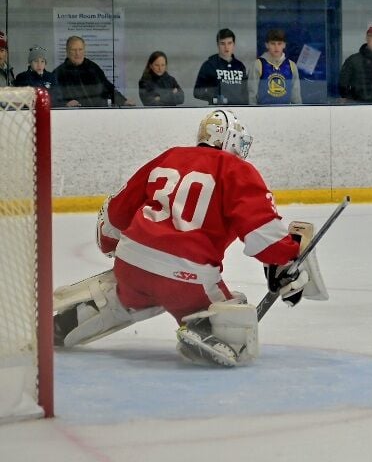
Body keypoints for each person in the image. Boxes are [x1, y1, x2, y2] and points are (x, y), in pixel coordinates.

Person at [52, 110, 327, 367]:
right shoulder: (236, 169)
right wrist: (287, 258)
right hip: (186, 277)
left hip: (130, 263)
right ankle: (207, 327)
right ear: (229, 139)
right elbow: (265, 235)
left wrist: (114, 247)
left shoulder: (168, 156)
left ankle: (82, 314)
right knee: (237, 320)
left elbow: (114, 216)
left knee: (130, 291)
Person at [53, 35, 135, 107]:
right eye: (73, 50)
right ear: (67, 51)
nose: (77, 53)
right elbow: (52, 99)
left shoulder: (93, 68)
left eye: (80, 49)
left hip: (98, 115)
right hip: (74, 117)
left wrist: (123, 101)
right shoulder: (58, 73)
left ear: (84, 50)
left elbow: (108, 88)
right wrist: (64, 104)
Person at [194, 28, 248, 105]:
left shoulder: (240, 66)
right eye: (222, 43)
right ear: (217, 45)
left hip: (238, 110)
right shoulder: (210, 65)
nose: (226, 47)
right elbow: (197, 91)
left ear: (234, 44)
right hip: (218, 110)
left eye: (229, 43)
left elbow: (245, 93)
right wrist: (214, 98)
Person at [248, 29, 302, 105]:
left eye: (279, 44)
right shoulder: (258, 64)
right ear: (267, 45)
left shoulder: (291, 66)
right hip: (262, 111)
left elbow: (296, 96)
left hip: (286, 111)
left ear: (284, 45)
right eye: (273, 44)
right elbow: (252, 94)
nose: (276, 47)